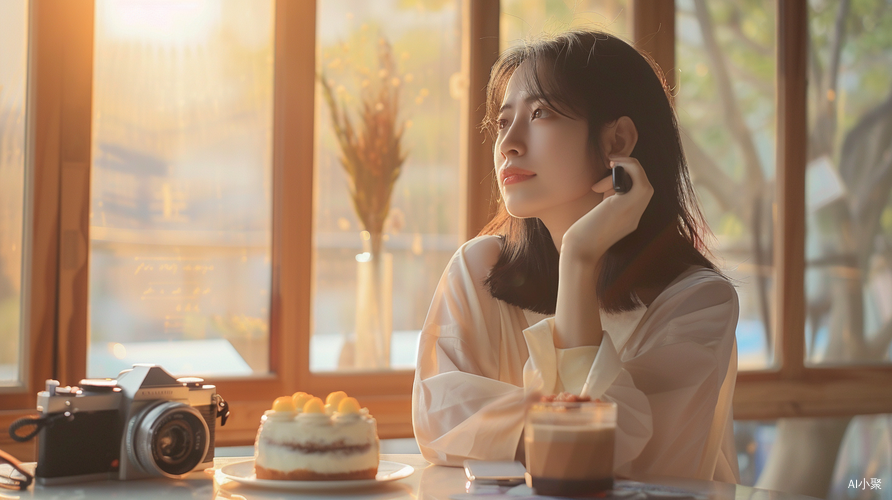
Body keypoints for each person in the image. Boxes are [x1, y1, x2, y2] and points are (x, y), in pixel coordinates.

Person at [411, 30, 740, 483]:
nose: (508, 143)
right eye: (504, 121)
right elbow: (436, 419)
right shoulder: (478, 269)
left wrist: (579, 260)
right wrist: (555, 417)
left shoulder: (699, 302)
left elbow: (602, 464)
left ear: (617, 141)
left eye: (540, 113)